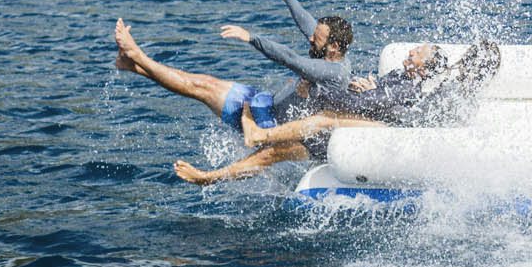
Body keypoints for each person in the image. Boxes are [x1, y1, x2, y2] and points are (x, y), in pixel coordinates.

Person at [172, 41, 502, 186]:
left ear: (422, 69)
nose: (412, 50)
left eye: (419, 52)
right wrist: (371, 85)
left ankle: (254, 137)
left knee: (314, 125)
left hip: (375, 134)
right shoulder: (404, 79)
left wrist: (321, 89)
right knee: (271, 156)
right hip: (375, 121)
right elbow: (375, 97)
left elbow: (362, 106)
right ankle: (210, 178)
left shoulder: (410, 87)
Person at [112, 0, 354, 132]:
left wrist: (251, 38)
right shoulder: (329, 53)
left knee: (198, 85)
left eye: (317, 38)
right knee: (202, 82)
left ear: (333, 46)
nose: (311, 37)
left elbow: (290, 58)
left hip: (266, 123)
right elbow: (309, 25)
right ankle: (132, 65)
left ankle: (138, 56)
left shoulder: (330, 71)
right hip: (264, 103)